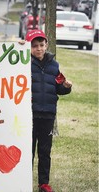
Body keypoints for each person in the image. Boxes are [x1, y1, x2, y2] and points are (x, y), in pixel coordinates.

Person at [24, 30, 72, 192]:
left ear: (46, 45)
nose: (39, 49)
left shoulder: (54, 65)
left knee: (45, 151)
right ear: (28, 47)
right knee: (27, 150)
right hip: (29, 115)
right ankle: (23, 181)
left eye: (41, 45)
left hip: (48, 114)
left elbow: (58, 87)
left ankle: (43, 183)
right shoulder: (22, 63)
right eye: (34, 46)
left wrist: (65, 87)